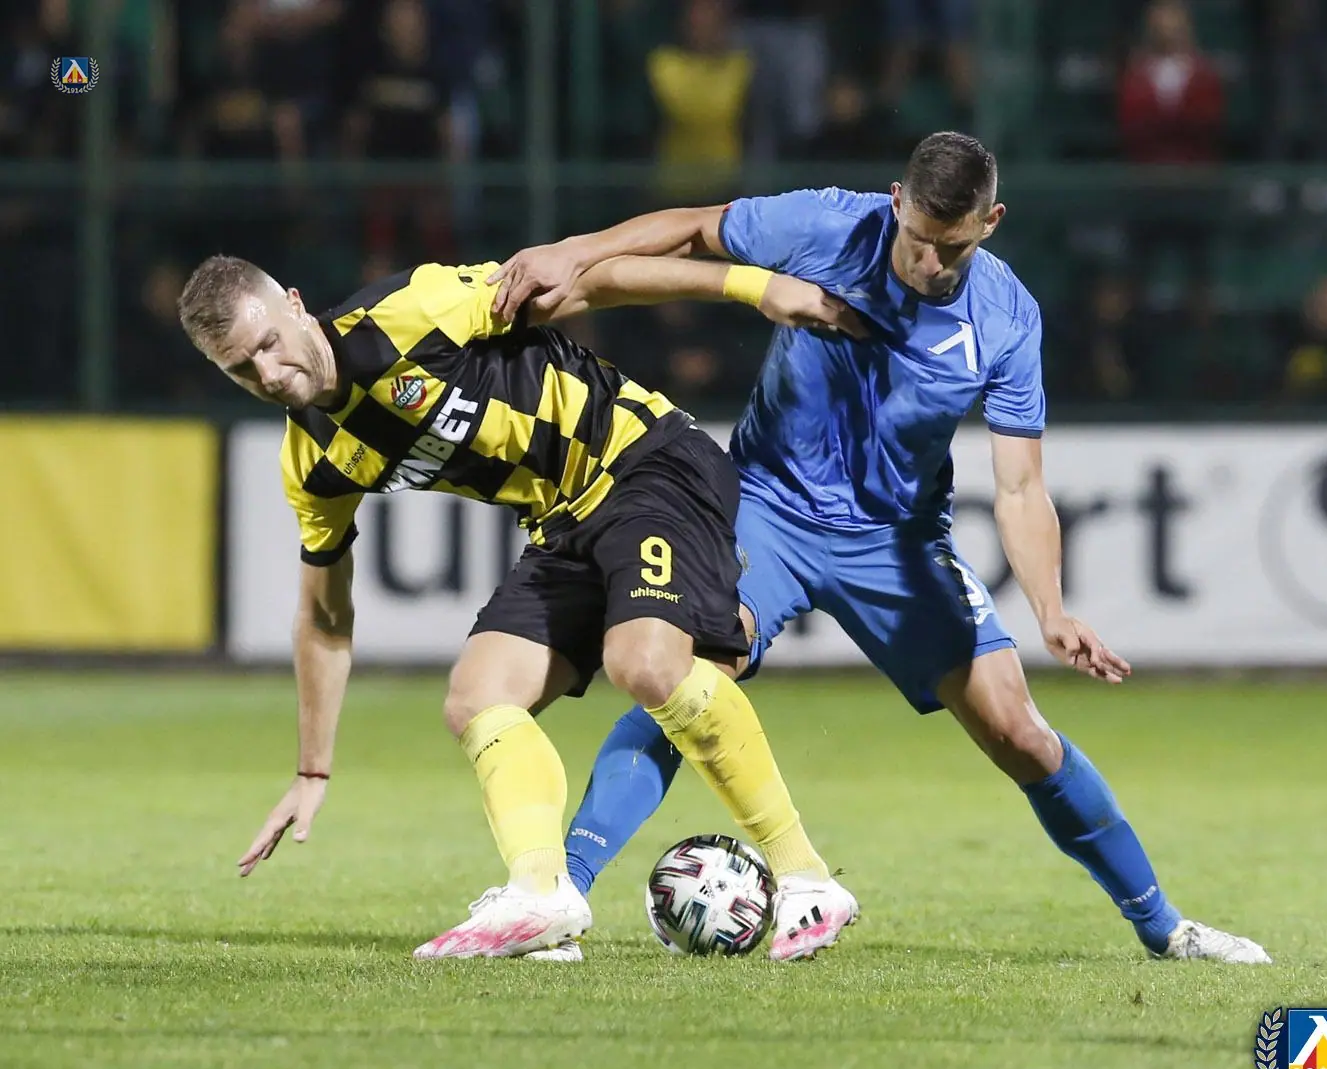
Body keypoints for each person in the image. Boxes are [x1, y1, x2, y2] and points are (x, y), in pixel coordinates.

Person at [489, 130, 1272, 964]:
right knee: (687, 678)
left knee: (1018, 731)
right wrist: (573, 251)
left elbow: (1018, 487)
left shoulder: (1005, 318)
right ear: (897, 203)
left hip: (898, 542)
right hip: (767, 510)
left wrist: (1050, 610)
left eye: (952, 247)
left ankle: (1165, 928)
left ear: (990, 223)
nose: (929, 264)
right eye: (918, 240)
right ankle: (557, 895)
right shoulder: (829, 227)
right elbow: (693, 228)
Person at [176, 250, 866, 962]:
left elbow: (589, 281)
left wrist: (755, 287)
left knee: (645, 664)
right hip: (560, 521)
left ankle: (807, 880)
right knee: (476, 698)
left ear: (294, 304)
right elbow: (324, 619)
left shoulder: (413, 312)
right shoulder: (314, 461)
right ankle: (542, 895)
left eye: (268, 344)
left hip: (645, 461)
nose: (268, 373)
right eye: (240, 369)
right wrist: (311, 770)